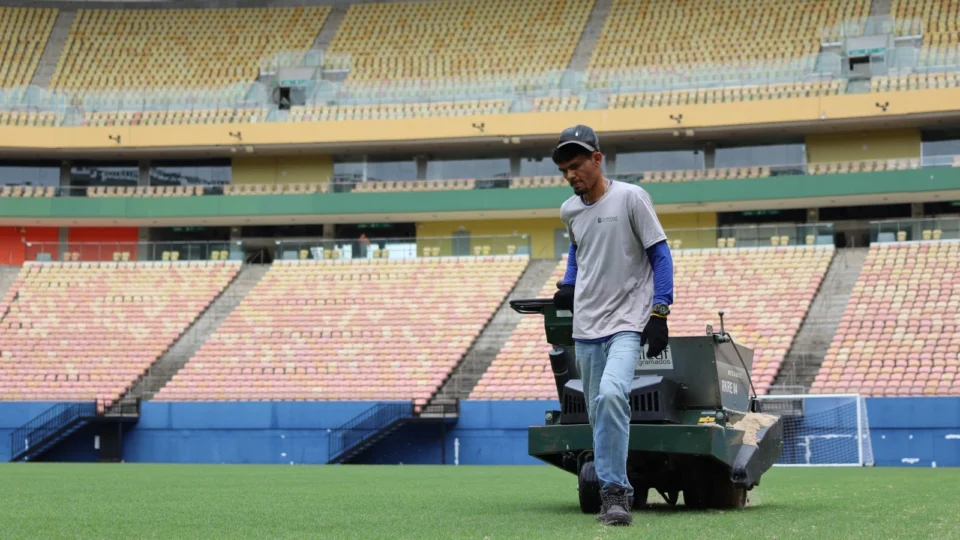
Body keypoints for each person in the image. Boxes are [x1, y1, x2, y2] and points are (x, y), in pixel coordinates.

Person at [551, 125, 674, 526]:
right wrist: (569, 284)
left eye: (576, 165)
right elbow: (577, 248)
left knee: (611, 395)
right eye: (564, 170)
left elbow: (660, 254)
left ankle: (616, 493)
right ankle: (612, 494)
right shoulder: (569, 210)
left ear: (597, 159)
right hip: (586, 326)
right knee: (598, 413)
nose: (571, 175)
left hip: (626, 321)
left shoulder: (631, 197)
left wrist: (660, 311)